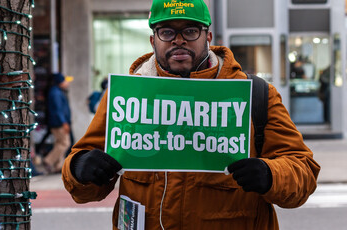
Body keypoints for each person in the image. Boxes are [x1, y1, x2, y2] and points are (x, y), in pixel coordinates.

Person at [62, 0, 320, 229]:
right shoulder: (126, 97)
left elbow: (303, 173)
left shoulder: (255, 95)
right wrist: (79, 168)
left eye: (190, 30)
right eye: (167, 32)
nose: (178, 40)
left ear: (208, 37)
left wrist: (270, 174)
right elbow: (84, 190)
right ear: (154, 41)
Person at [43, 72, 72, 174]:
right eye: (65, 81)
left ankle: (58, 166)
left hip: (57, 121)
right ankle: (49, 160)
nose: (67, 83)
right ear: (60, 82)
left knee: (59, 143)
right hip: (59, 122)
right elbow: (58, 109)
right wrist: (64, 122)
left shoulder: (56, 91)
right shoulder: (56, 93)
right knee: (65, 143)